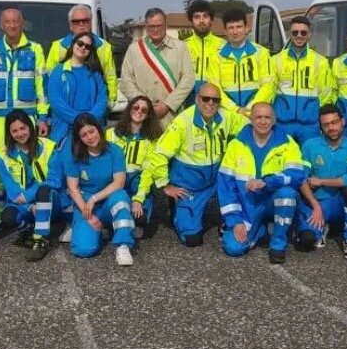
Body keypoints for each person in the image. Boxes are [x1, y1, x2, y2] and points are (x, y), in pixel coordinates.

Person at [146, 83, 245, 246]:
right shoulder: (183, 122)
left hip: (216, 183)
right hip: (190, 188)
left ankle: (225, 220)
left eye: (215, 100)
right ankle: (178, 215)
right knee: (192, 239)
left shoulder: (226, 117)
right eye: (205, 99)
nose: (210, 104)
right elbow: (158, 155)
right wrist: (165, 185)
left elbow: (250, 128)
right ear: (197, 100)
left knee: (238, 186)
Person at [215, 103, 306, 264]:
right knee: (233, 248)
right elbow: (226, 187)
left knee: (287, 194)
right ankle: (261, 230)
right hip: (248, 205)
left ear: (274, 120)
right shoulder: (236, 145)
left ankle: (278, 245)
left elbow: (298, 175)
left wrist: (267, 182)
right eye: (258, 117)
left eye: (267, 117)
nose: (263, 121)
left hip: (274, 201)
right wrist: (235, 221)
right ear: (250, 119)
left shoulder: (287, 143)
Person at [0, 109, 71, 261]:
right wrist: (30, 206)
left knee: (43, 190)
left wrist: (29, 195)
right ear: (9, 133)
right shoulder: (2, 154)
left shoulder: (49, 147)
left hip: (51, 199)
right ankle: (31, 228)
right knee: (8, 217)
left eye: (23, 128)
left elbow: (54, 181)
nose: (20, 134)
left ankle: (40, 239)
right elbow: (12, 191)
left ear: (31, 127)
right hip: (25, 204)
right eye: (14, 131)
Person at [62, 114, 135, 266]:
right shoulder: (74, 155)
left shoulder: (114, 151)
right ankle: (84, 228)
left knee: (120, 198)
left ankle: (123, 245)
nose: (89, 137)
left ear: (99, 129)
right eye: (83, 135)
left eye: (91, 131)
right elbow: (73, 188)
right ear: (79, 138)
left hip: (107, 200)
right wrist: (87, 214)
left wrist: (94, 198)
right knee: (83, 250)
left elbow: (119, 183)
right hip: (85, 206)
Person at [296, 104, 347, 260]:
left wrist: (321, 181)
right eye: (326, 125)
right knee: (306, 241)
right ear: (320, 127)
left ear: (343, 122)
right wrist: (315, 206)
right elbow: (301, 179)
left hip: (341, 203)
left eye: (334, 122)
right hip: (319, 204)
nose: (331, 128)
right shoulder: (309, 145)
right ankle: (322, 227)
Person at [0, 8, 48, 150]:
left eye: (16, 21)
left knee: (27, 159)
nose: (12, 25)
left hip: (26, 118)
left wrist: (42, 118)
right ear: (1, 25)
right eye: (7, 22)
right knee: (0, 160)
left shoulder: (35, 49)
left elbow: (42, 88)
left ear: (22, 24)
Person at [119, 7, 195, 128]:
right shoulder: (134, 49)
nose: (155, 29)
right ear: (146, 26)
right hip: (142, 116)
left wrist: (168, 104)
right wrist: (144, 105)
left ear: (165, 25)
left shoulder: (180, 48)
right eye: (151, 26)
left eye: (159, 25)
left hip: (172, 115)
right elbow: (126, 81)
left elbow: (188, 79)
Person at [105, 96, 163, 239]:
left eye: (144, 109)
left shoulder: (153, 139)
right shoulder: (111, 134)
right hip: (115, 179)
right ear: (129, 108)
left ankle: (133, 221)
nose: (139, 111)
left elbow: (148, 172)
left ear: (149, 114)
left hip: (138, 180)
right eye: (135, 107)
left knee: (140, 216)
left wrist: (138, 199)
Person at [272, 15, 335, 144]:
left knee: (309, 162)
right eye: (295, 32)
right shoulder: (276, 60)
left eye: (303, 32)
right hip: (282, 124)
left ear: (309, 34)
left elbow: (326, 95)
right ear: (290, 33)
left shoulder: (320, 62)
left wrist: (323, 121)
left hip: (310, 126)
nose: (299, 35)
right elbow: (269, 92)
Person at [45, 5, 117, 111]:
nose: (81, 24)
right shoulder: (58, 46)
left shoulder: (104, 46)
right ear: (70, 25)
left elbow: (110, 78)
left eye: (85, 21)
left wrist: (108, 106)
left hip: (95, 109)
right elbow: (49, 80)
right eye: (76, 21)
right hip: (65, 108)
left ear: (91, 22)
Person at [206, 8, 274, 118]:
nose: (235, 31)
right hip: (227, 115)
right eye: (231, 28)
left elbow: (268, 86)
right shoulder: (216, 57)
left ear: (246, 28)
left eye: (239, 26)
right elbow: (215, 88)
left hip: (255, 115)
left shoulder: (262, 53)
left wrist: (251, 108)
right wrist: (235, 110)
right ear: (225, 31)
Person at [47, 31, 108, 144]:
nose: (83, 47)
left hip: (91, 130)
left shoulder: (95, 73)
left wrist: (89, 121)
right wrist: (78, 120)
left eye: (88, 46)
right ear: (73, 44)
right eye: (80, 43)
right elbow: (55, 101)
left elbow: (102, 99)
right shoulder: (58, 71)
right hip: (65, 131)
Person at [183, 0, 225, 102]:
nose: (201, 21)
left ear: (211, 20)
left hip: (216, 102)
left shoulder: (224, 46)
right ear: (191, 20)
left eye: (205, 16)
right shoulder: (182, 47)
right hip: (188, 104)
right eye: (197, 17)